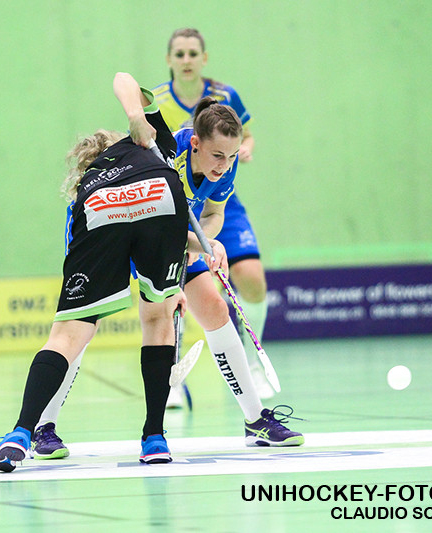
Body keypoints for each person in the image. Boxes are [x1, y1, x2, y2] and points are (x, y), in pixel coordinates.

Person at [29, 82, 304, 462]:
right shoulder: (167, 151)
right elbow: (125, 82)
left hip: (167, 236)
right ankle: (44, 426)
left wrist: (205, 242)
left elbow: (213, 213)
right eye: (217, 155)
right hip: (108, 228)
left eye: (231, 156)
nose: (224, 165)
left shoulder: (224, 163)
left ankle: (255, 420)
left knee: (214, 307)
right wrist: (135, 118)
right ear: (196, 144)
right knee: (83, 327)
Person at [0, 72, 193, 471]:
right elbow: (125, 76)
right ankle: (154, 437)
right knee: (157, 319)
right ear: (120, 140)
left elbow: (109, 238)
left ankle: (20, 433)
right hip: (163, 197)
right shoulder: (148, 143)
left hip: (101, 211)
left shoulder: (88, 186)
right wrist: (137, 118)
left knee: (66, 335)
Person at [153, 28, 274, 403]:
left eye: (193, 53)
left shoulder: (225, 96)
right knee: (175, 292)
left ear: (204, 58)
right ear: (170, 60)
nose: (187, 60)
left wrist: (240, 153)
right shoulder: (158, 104)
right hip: (170, 205)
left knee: (250, 278)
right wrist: (193, 244)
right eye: (180, 54)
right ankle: (170, 377)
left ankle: (251, 364)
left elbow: (244, 136)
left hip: (216, 194)